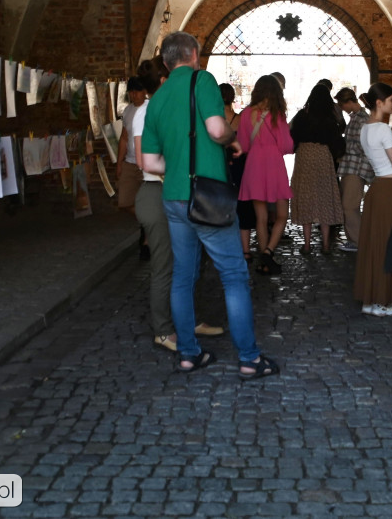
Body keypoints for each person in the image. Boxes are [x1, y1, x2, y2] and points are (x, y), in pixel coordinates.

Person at [140, 31, 279, 379]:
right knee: (233, 275)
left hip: (173, 197)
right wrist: (232, 141)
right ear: (192, 54)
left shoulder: (155, 99)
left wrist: (179, 170)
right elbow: (217, 130)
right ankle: (249, 358)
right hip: (207, 196)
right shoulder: (202, 81)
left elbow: (149, 163)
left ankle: (188, 354)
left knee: (182, 277)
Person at [134, 59, 224, 352]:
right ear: (163, 80)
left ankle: (188, 320)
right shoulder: (146, 111)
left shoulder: (164, 105)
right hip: (156, 191)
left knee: (188, 263)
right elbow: (143, 160)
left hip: (174, 190)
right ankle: (163, 330)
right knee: (165, 266)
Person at [353, 82, 392, 316]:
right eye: (391, 99)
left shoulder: (365, 129)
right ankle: (383, 301)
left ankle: (371, 299)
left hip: (377, 187)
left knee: (374, 243)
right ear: (379, 102)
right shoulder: (383, 130)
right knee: (390, 243)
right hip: (388, 187)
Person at [237, 74, 294, 274]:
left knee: (260, 217)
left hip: (253, 164)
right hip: (274, 165)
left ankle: (264, 260)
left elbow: (243, 145)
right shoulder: (277, 115)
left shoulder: (245, 114)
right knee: (281, 215)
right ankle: (268, 253)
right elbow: (287, 146)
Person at [290, 84, 345, 254]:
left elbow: (292, 136)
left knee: (306, 198)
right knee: (325, 198)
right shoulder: (330, 119)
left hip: (304, 157)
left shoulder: (301, 116)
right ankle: (327, 245)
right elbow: (337, 141)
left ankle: (306, 245)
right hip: (323, 156)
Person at [334, 88, 374, 252]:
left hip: (355, 166)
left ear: (348, 103)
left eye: (341, 104)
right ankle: (355, 239)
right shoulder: (358, 118)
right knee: (351, 205)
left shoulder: (362, 119)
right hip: (351, 165)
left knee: (349, 206)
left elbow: (363, 145)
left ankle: (357, 241)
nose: (341, 108)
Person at [220, 82, 255, 262]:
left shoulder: (213, 121)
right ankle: (245, 249)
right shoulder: (241, 120)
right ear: (233, 99)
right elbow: (248, 144)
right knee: (243, 206)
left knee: (219, 205)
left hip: (219, 166)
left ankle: (222, 248)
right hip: (240, 166)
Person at [117, 75, 147, 254]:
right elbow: (123, 138)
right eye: (131, 92)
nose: (134, 95)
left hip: (147, 164)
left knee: (149, 201)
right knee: (125, 202)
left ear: (144, 92)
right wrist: (119, 163)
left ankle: (147, 241)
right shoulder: (127, 111)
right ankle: (148, 223)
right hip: (130, 162)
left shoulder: (151, 109)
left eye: (137, 91)